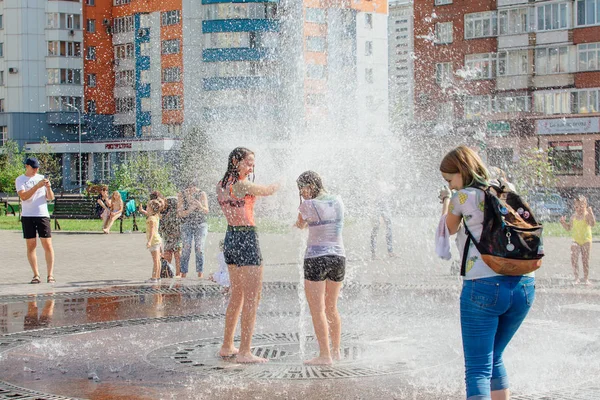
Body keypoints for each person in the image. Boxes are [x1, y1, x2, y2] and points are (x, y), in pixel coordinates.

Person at [439, 145, 535, 400]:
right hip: (524, 284)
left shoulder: (462, 197)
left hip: (483, 286)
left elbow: (446, 230)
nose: (450, 185)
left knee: (478, 368)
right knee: (495, 357)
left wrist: (446, 201)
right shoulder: (506, 188)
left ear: (461, 171)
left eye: (450, 179)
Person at [217, 147, 279, 363]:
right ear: (236, 161)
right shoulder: (242, 184)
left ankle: (227, 346)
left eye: (253, 164)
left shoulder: (221, 185)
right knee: (252, 297)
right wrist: (283, 180)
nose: (252, 167)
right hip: (246, 237)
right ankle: (245, 352)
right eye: (248, 163)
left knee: (237, 294)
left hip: (231, 237)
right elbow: (269, 190)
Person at [294, 171, 345, 365]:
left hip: (316, 257)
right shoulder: (338, 201)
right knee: (332, 307)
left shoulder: (308, 205)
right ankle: (336, 351)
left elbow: (300, 225)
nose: (302, 192)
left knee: (318, 310)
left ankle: (324, 356)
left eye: (303, 188)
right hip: (339, 257)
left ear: (311, 186)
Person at [15, 157, 56, 284]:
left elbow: (50, 198)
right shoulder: (20, 180)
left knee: (47, 244)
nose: (36, 170)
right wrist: (37, 186)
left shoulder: (41, 178)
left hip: (42, 214)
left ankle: (50, 275)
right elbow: (24, 196)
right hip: (28, 215)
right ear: (27, 166)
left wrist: (48, 188)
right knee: (31, 245)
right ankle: (36, 275)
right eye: (33, 168)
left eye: (37, 168)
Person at [560, 195, 595, 285]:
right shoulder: (573, 217)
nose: (579, 209)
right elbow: (568, 228)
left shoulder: (587, 215)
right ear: (574, 207)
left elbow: (592, 224)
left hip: (586, 240)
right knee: (574, 258)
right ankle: (576, 278)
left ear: (585, 205)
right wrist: (563, 223)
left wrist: (591, 214)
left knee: (585, 259)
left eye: (581, 206)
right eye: (576, 207)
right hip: (576, 240)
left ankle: (586, 278)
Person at [178, 184, 209, 278]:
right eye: (190, 189)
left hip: (201, 225)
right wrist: (190, 210)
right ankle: (183, 273)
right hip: (186, 225)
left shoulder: (201, 194)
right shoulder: (181, 195)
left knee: (199, 247)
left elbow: (206, 210)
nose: (192, 190)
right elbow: (180, 213)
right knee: (186, 247)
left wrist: (199, 206)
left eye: (194, 188)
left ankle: (200, 273)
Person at [369, 176, 396, 260]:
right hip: (376, 204)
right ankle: (374, 253)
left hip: (384, 204)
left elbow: (385, 192)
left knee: (389, 226)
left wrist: (391, 188)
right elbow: (371, 195)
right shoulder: (374, 182)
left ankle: (390, 251)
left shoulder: (383, 181)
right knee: (376, 227)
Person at [160, 196, 182, 277]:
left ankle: (170, 273)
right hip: (174, 238)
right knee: (176, 256)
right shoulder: (176, 214)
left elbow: (161, 228)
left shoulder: (166, 215)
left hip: (172, 238)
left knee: (172, 256)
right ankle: (174, 273)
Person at [145, 199, 163, 283]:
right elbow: (148, 214)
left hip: (154, 241)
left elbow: (152, 231)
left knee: (155, 260)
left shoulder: (151, 219)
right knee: (158, 260)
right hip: (157, 240)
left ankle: (154, 278)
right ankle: (158, 276)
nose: (146, 208)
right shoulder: (155, 216)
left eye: (148, 207)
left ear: (151, 208)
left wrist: (149, 241)